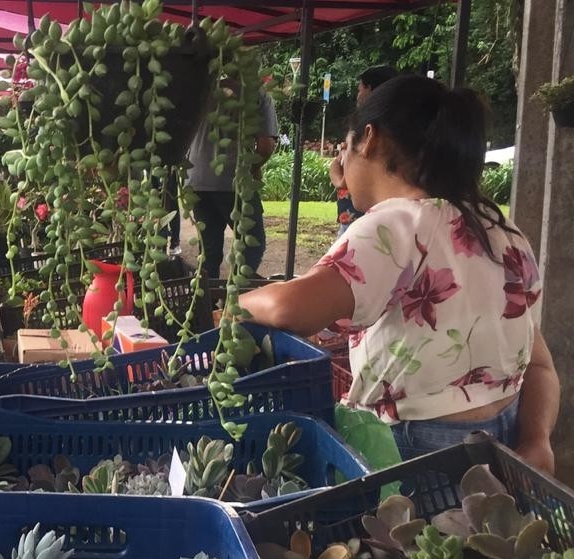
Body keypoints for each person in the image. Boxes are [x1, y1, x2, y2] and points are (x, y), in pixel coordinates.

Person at [238, 76, 557, 472]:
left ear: (368, 139)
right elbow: (541, 366)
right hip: (505, 444)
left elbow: (289, 308)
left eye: (345, 146)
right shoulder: (501, 230)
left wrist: (240, 301)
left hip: (416, 453)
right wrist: (537, 440)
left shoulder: (399, 222)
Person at [186, 78, 279, 278]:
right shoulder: (258, 94)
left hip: (197, 179)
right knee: (252, 242)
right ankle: (235, 296)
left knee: (209, 251)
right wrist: (253, 168)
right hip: (234, 179)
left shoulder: (203, 91)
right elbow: (266, 145)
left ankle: (207, 305)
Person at [333, 65, 399, 234]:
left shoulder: (365, 125)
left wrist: (335, 173)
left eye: (359, 89)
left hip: (358, 217)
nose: (358, 95)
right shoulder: (398, 126)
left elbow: (345, 178)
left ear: (370, 88)